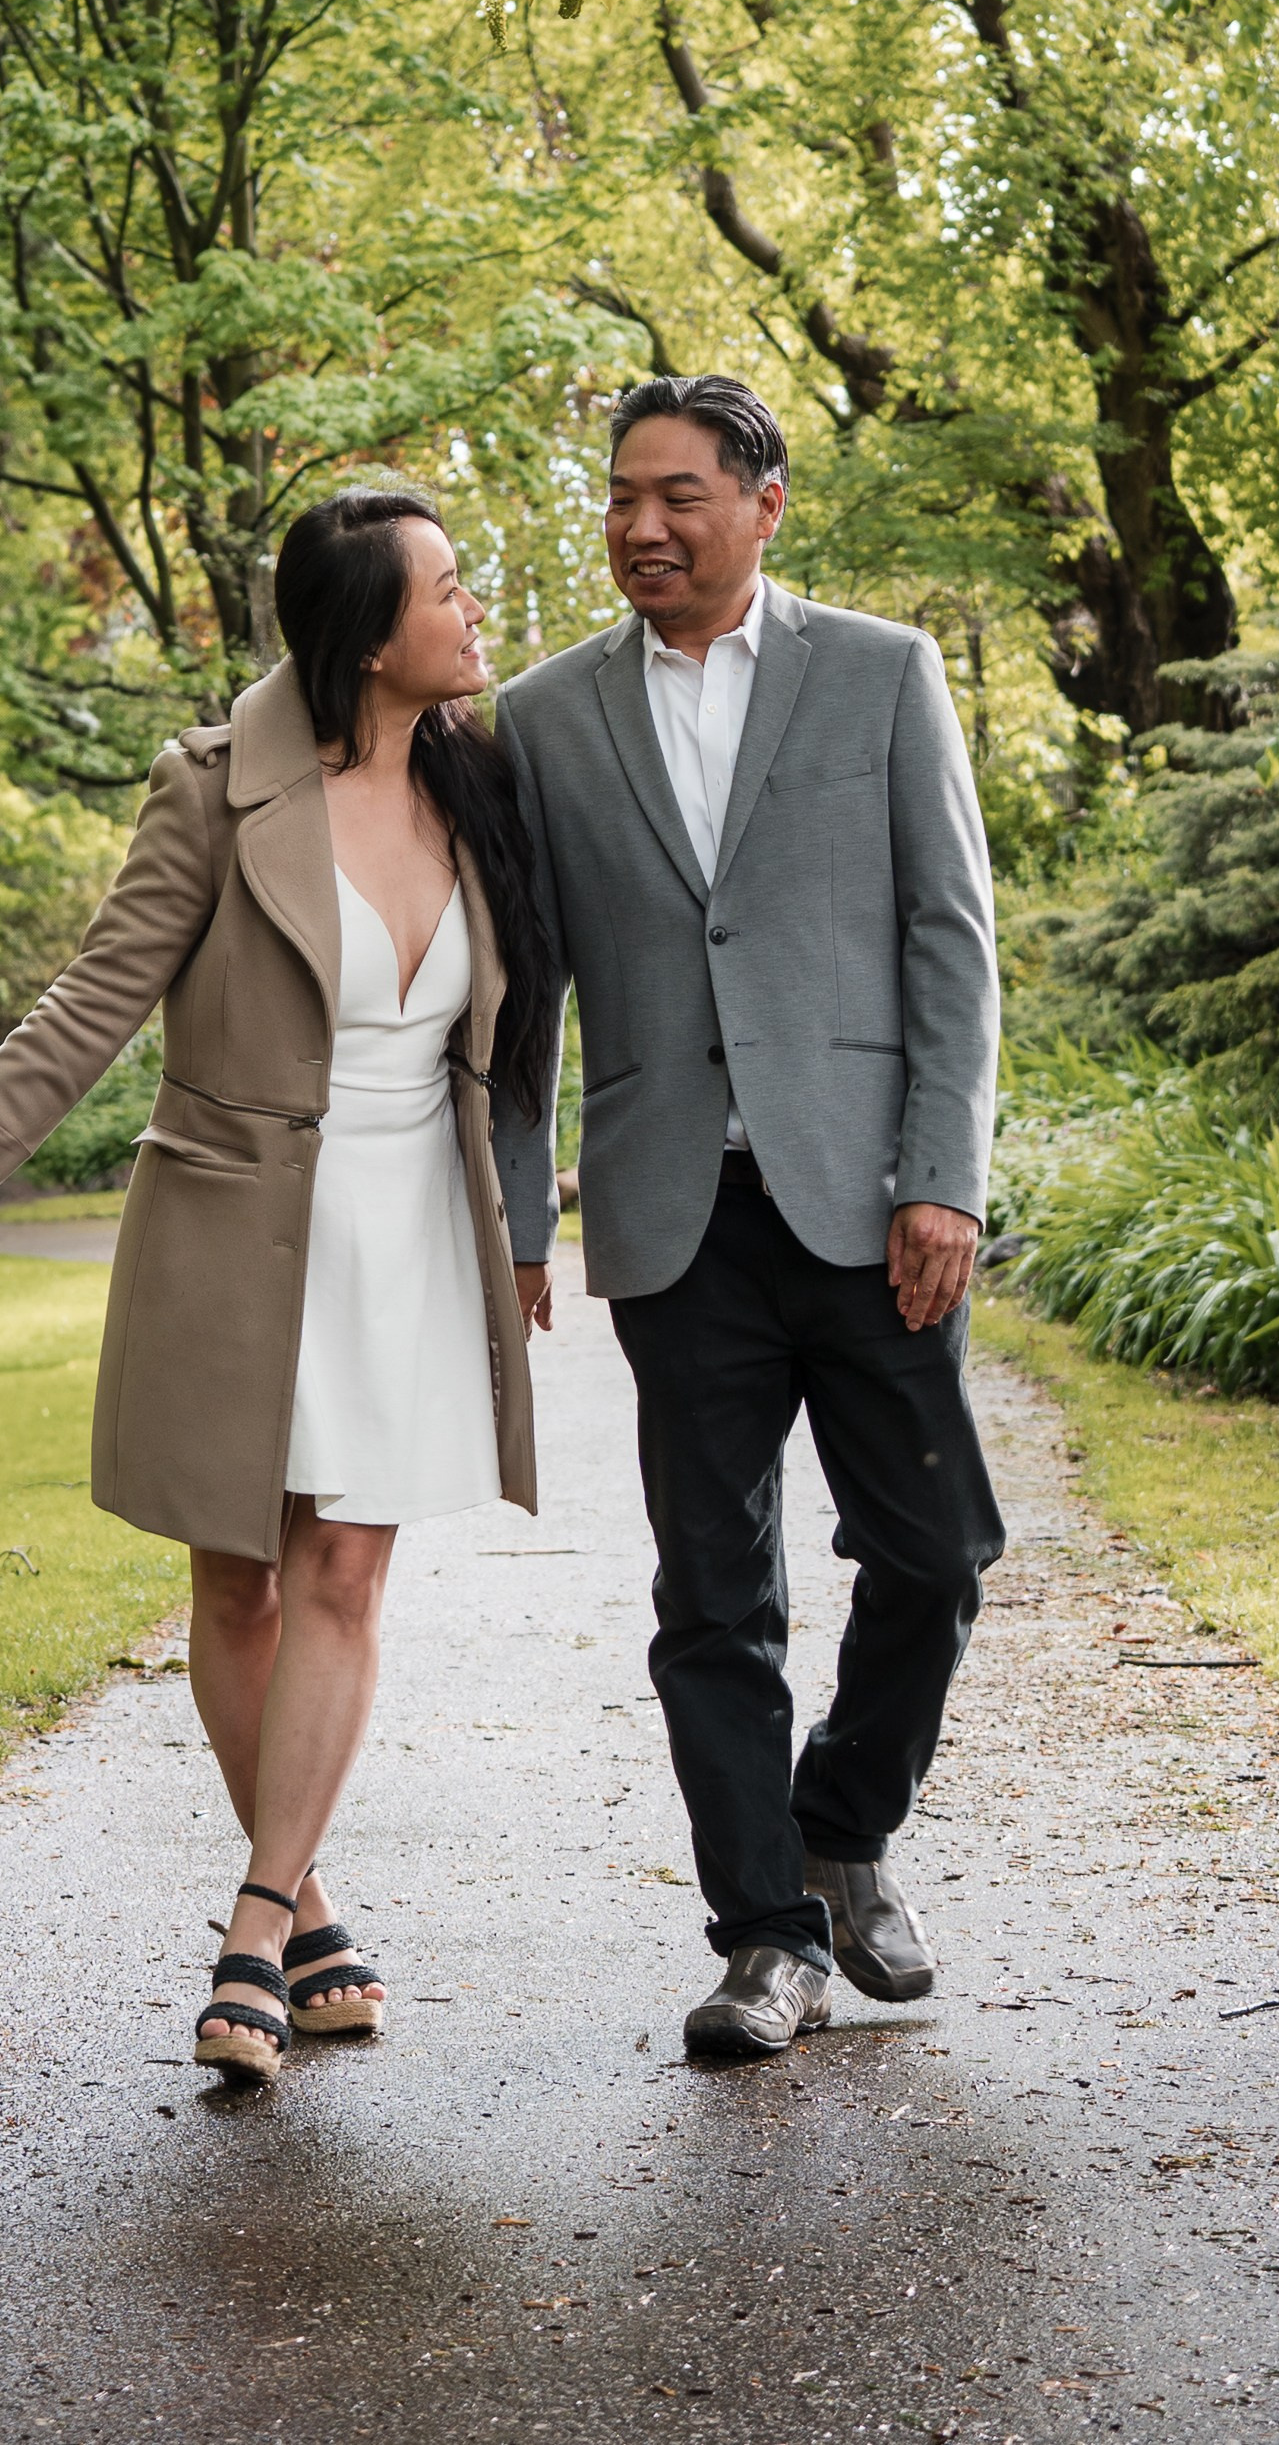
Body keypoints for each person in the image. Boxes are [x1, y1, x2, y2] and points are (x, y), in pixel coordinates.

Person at [0, 491, 555, 2088]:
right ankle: (313, 1910)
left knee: (345, 1569)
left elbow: (526, 1033)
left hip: (412, 1230)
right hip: (239, 1230)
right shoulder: (214, 788)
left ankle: (252, 1924)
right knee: (239, 1583)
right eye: (448, 588)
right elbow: (94, 997)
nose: (473, 610)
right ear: (367, 637)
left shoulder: (485, 778)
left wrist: (529, 1225)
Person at [490, 375, 1004, 2063]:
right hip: (671, 1218)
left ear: (764, 504)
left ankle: (840, 1824)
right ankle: (764, 1944)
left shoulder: (880, 671)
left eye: (678, 497)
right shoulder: (543, 716)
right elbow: (523, 993)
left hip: (868, 1204)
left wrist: (942, 1174)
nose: (640, 527)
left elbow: (948, 937)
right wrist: (517, 1210)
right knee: (712, 1597)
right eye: (620, 498)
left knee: (934, 1552)